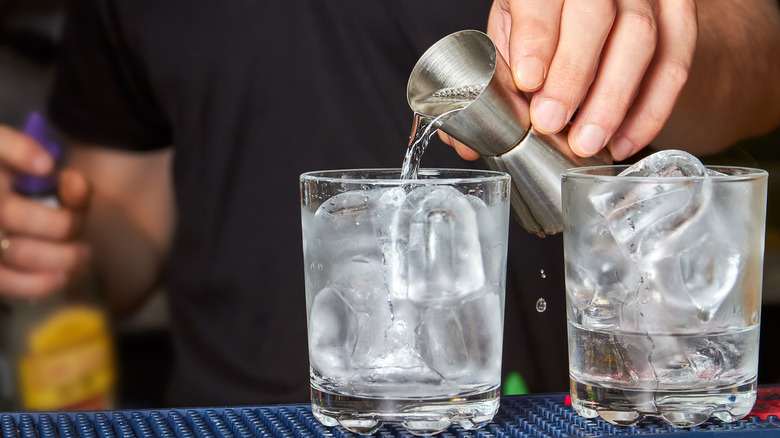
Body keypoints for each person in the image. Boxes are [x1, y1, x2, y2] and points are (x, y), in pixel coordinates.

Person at [0, 0, 777, 408]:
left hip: (545, 408)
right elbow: (127, 220)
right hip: (234, 413)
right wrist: (42, 230)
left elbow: (763, 53)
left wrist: (676, 45)